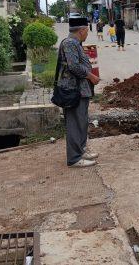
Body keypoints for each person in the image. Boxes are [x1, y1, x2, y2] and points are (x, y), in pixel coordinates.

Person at [58, 17, 100, 168]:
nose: (87, 34)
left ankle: (81, 150)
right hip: (73, 91)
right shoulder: (70, 43)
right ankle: (74, 158)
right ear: (81, 30)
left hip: (80, 90)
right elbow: (74, 66)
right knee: (75, 123)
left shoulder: (75, 43)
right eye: (87, 31)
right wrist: (91, 76)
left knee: (81, 121)